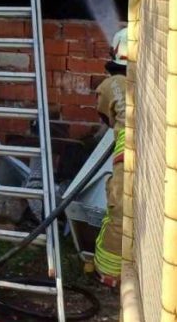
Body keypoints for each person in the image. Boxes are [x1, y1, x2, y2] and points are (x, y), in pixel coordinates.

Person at [93, 27, 128, 286]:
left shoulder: (112, 85)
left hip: (128, 162)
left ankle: (108, 273)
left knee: (120, 213)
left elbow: (105, 116)